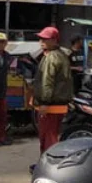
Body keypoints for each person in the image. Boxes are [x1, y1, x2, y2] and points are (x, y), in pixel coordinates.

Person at [34, 26, 73, 154]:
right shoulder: (61, 55)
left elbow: (47, 81)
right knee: (51, 136)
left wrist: (44, 103)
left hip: (51, 105)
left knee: (48, 137)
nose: (41, 41)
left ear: (54, 40)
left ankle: (48, 164)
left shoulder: (52, 57)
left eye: (45, 39)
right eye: (40, 38)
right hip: (58, 104)